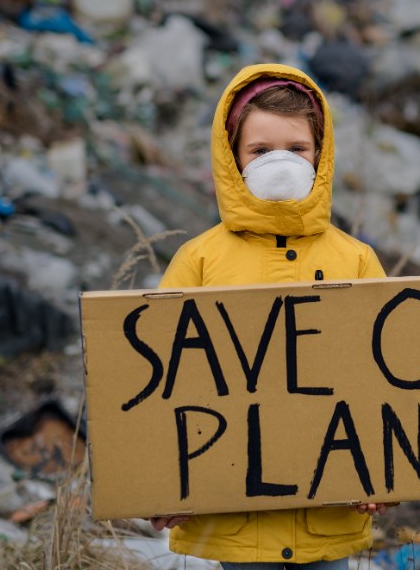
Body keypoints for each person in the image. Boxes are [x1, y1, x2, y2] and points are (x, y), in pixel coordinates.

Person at [150, 63, 393, 570]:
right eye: (260, 151)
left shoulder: (358, 261)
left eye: (297, 149)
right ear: (232, 158)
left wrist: (386, 475)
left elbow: (388, 383)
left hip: (329, 516)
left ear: (320, 156)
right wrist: (166, 482)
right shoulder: (198, 261)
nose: (280, 163)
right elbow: (164, 383)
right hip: (239, 519)